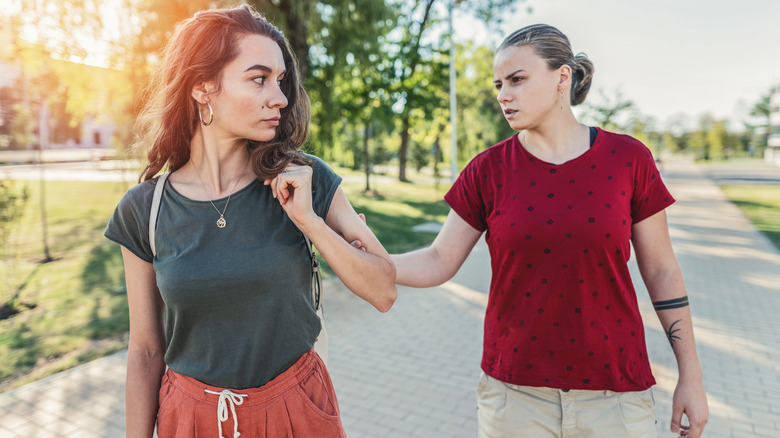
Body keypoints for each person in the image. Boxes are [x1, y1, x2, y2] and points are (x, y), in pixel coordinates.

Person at [390, 24, 708, 438]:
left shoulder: (629, 159)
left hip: (615, 398)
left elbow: (662, 272)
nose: (504, 94)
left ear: (562, 78)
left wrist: (691, 376)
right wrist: (361, 256)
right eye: (499, 84)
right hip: (515, 401)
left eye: (518, 80)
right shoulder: (488, 170)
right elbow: (437, 260)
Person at [104, 5, 396, 437]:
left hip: (296, 411)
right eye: (259, 79)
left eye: (280, 81)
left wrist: (311, 223)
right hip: (189, 420)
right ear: (203, 87)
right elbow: (146, 350)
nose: (279, 97)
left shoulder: (304, 179)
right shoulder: (143, 210)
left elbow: (384, 290)